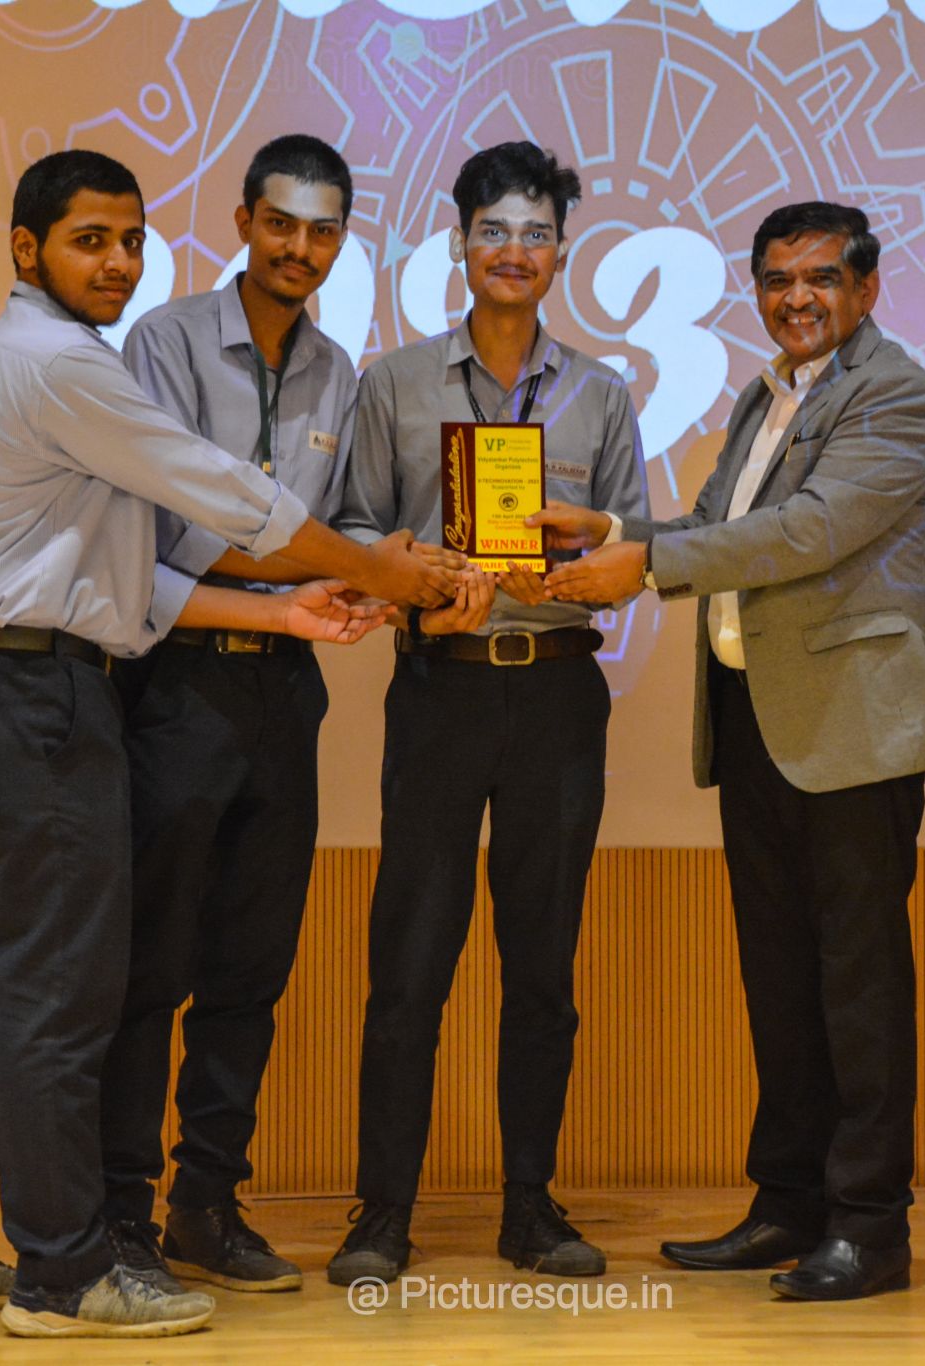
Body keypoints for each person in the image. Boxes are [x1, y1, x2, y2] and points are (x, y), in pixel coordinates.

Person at [0, 148, 450, 1339]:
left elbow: (133, 579)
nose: (118, 263)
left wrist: (288, 611)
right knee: (62, 989)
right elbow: (224, 495)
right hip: (31, 697)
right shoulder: (65, 363)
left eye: (131, 240)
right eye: (90, 241)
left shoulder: (56, 359)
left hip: (3, 679)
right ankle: (65, 1270)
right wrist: (376, 570)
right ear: (25, 249)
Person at [537, 201, 925, 1302]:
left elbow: (809, 530)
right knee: (779, 980)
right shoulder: (763, 395)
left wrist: (642, 567)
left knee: (857, 987)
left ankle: (869, 1227)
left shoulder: (894, 391)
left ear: (865, 288)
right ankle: (788, 1204)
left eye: (820, 278)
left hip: (852, 731)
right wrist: (614, 533)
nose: (796, 298)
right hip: (757, 724)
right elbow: (719, 525)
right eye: (776, 280)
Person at [98, 135, 422, 1294]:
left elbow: (342, 532)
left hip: (285, 689)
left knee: (250, 965)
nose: (299, 247)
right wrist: (337, 568)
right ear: (242, 221)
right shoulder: (166, 341)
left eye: (323, 230)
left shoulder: (341, 373)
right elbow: (168, 521)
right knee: (150, 963)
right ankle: (118, 1214)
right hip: (176, 683)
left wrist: (382, 571)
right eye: (280, 222)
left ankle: (206, 1203)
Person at [325, 141, 648, 1285]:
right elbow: (352, 530)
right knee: (409, 959)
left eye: (535, 233)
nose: (514, 251)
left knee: (542, 962)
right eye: (492, 231)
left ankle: (530, 1204)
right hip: (440, 689)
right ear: (458, 245)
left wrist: (582, 556)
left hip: (557, 691)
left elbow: (631, 547)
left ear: (561, 251)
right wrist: (416, 575)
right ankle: (381, 1211)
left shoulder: (601, 393)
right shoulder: (394, 383)